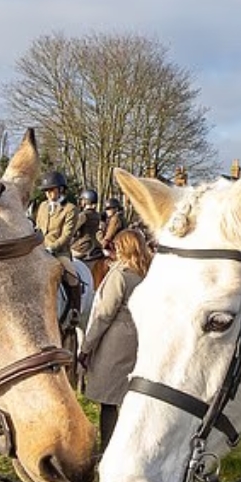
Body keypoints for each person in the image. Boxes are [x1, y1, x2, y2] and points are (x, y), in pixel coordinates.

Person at [80, 226, 151, 449]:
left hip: (116, 342)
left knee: (109, 401)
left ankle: (108, 447)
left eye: (118, 246)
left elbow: (104, 314)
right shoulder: (148, 272)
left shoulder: (121, 274)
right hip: (140, 337)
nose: (115, 250)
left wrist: (86, 346)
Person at [36, 171, 78, 258]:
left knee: (67, 266)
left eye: (51, 190)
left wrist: (51, 248)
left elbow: (67, 235)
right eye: (46, 190)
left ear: (61, 189)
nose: (48, 193)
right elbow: (38, 228)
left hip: (60, 253)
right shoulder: (43, 206)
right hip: (40, 250)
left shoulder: (70, 208)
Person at [70, 188, 103, 262]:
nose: (81, 202)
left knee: (64, 255)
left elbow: (72, 231)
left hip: (83, 246)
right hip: (95, 245)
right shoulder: (97, 215)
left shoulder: (83, 215)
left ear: (86, 201)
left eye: (82, 200)